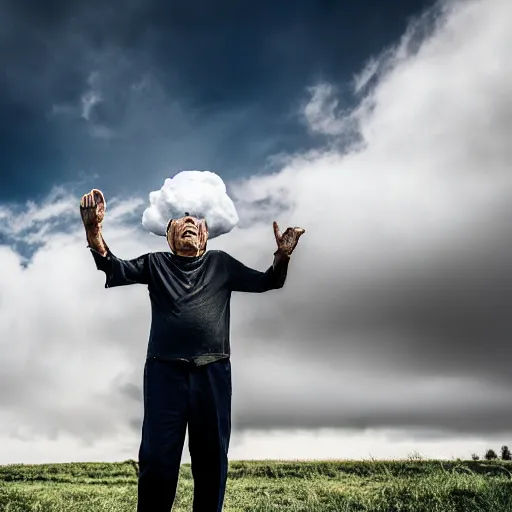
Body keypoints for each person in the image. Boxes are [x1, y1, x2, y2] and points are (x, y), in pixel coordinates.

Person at [80, 188, 305, 512]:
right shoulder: (156, 263)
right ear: (169, 237)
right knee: (157, 460)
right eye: (179, 219)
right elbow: (114, 268)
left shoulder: (221, 263)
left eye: (195, 219)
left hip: (213, 372)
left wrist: (282, 255)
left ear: (206, 235)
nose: (188, 220)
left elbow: (269, 281)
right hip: (163, 374)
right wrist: (94, 231)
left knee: (212, 461)